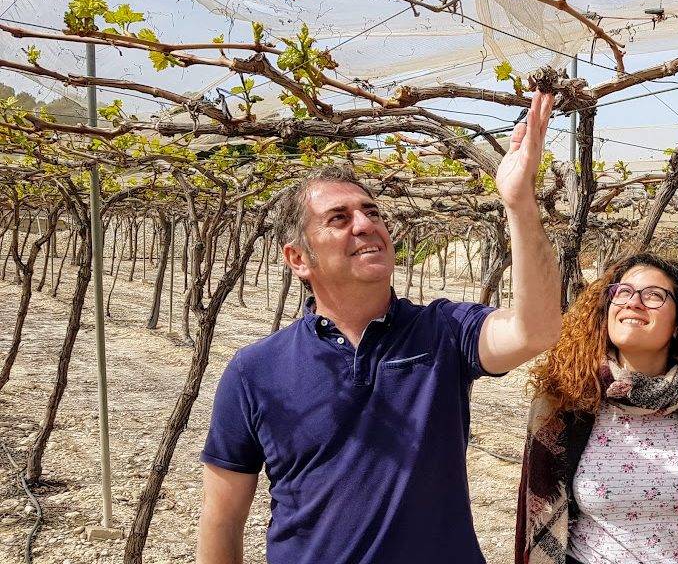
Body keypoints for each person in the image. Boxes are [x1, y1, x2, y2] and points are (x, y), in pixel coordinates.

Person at [196, 92, 561, 563]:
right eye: (339, 218)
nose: (366, 224)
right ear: (298, 258)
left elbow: (535, 330)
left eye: (372, 212)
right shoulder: (255, 370)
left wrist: (519, 202)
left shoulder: (443, 332)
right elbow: (222, 519)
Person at [515, 252, 678, 564]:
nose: (633, 302)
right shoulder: (567, 400)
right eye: (623, 292)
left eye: (653, 295)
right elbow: (536, 510)